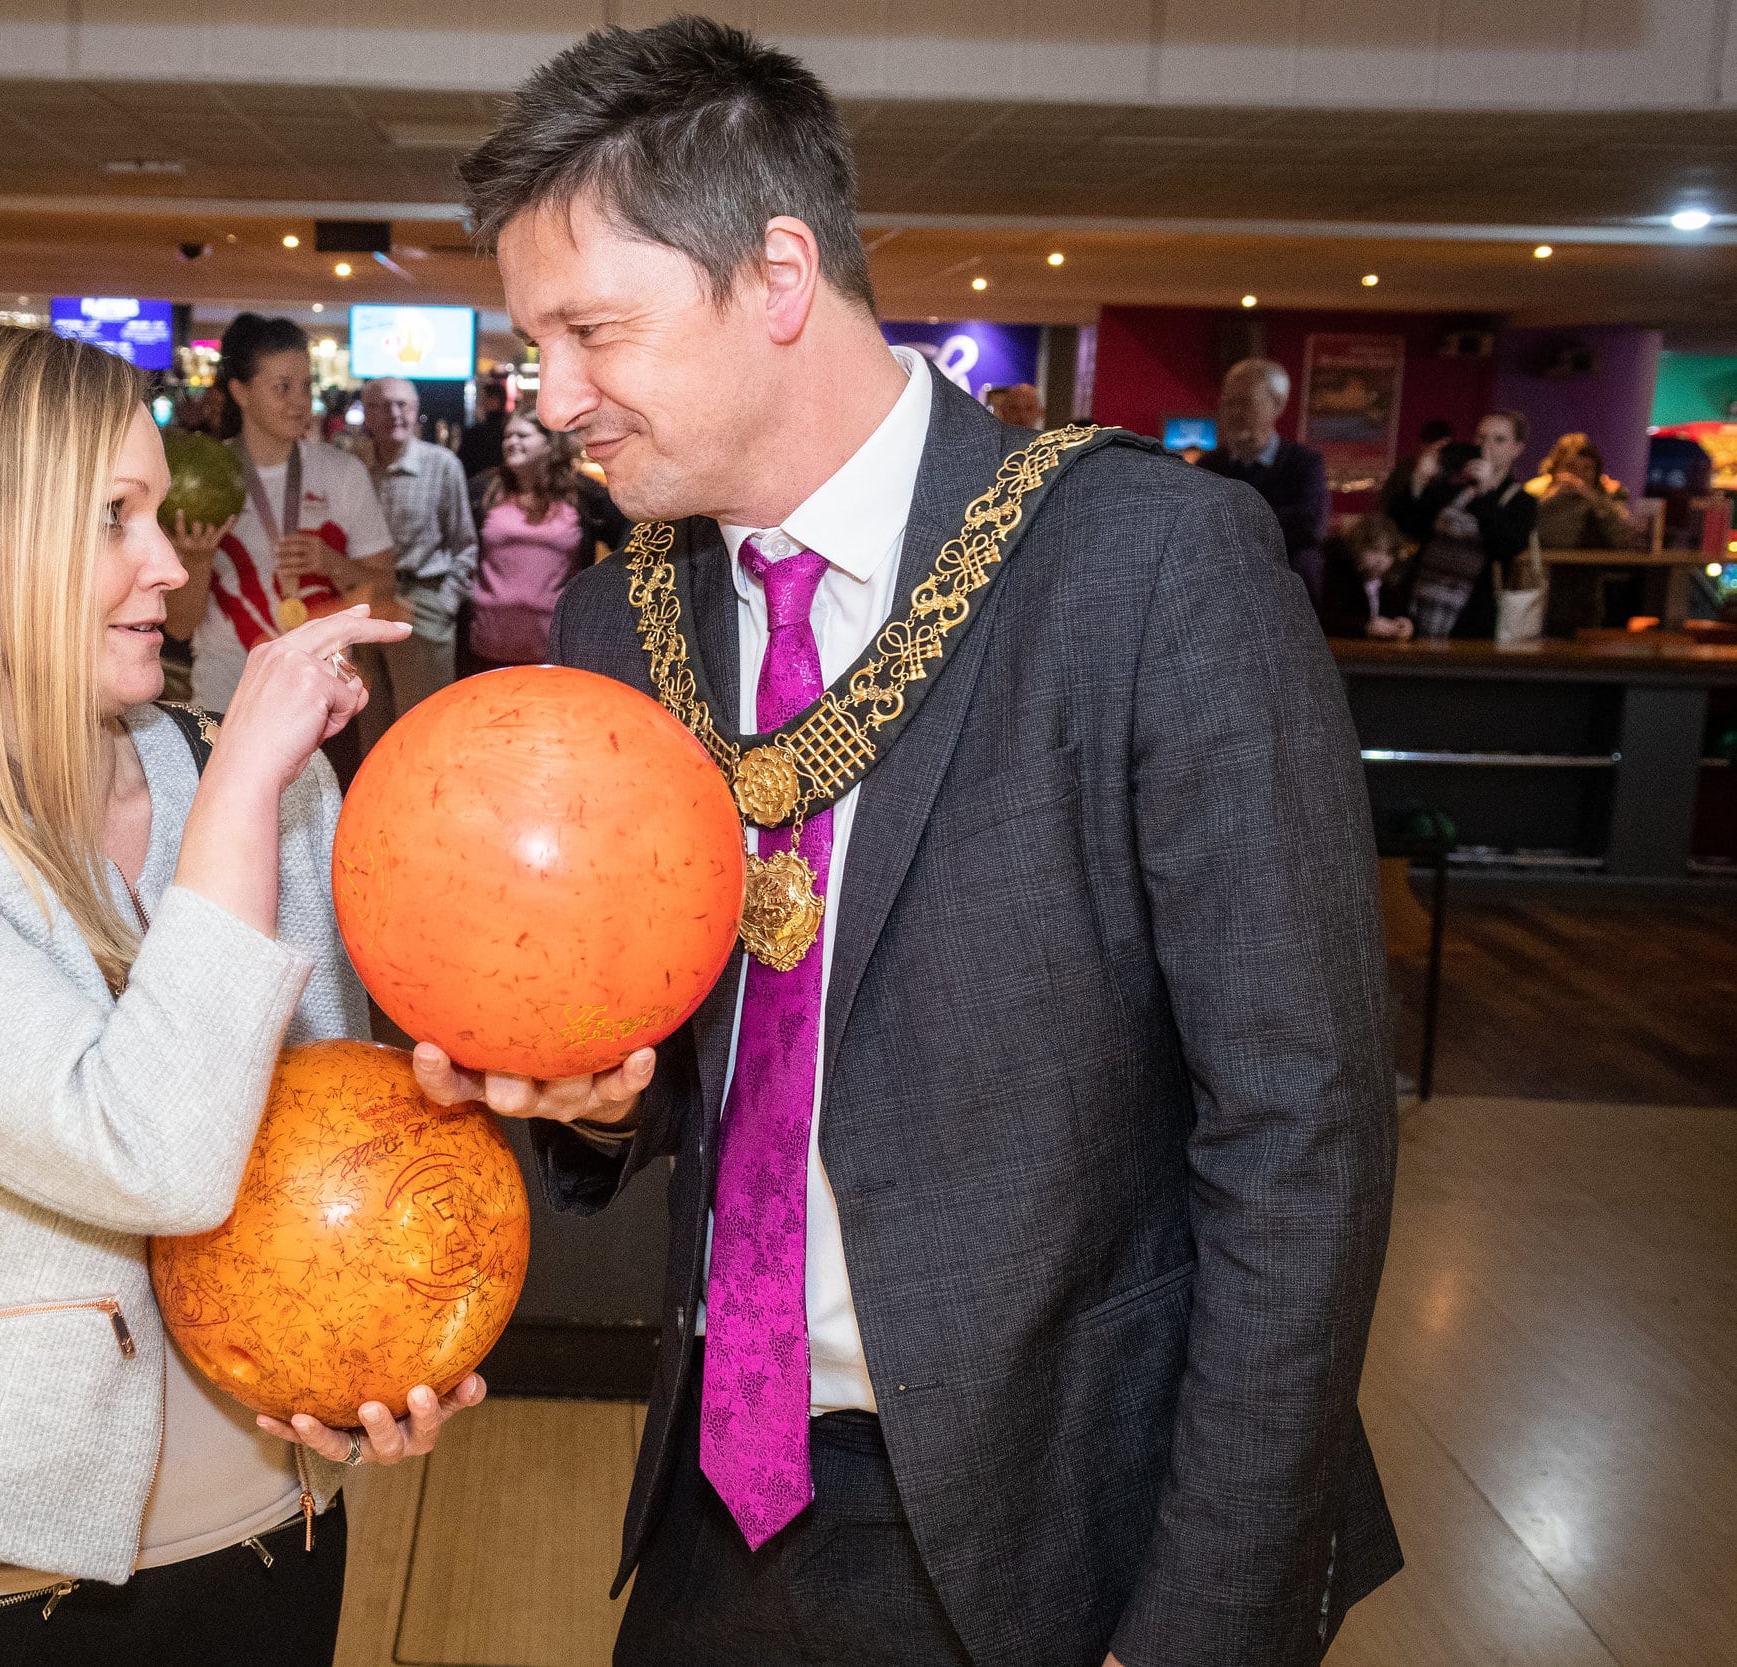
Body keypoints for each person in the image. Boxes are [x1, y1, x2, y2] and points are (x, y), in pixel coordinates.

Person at [434, 19, 1400, 1667]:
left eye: (591, 330)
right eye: (535, 343)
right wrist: (608, 1091)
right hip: (715, 1507)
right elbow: (701, 1041)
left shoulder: (1144, 566)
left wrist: (1200, 1628)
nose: (552, 398)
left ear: (779, 272)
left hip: (1060, 1526)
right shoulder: (617, 622)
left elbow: (1301, 1133)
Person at [0, 322, 474, 1666]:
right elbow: (152, 1153)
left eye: (162, 512)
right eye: (114, 519)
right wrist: (245, 790)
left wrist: (374, 1349)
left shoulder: (270, 779)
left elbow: (322, 1137)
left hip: (269, 1533)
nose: (168, 560)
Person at [165, 314, 395, 714]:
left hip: (320, 702)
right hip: (227, 701)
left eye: (306, 386)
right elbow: (180, 627)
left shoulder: (342, 473)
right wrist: (199, 559)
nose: (299, 401)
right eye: (282, 388)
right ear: (240, 391)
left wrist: (333, 564)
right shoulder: (206, 479)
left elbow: (386, 590)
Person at [357, 376, 477, 741]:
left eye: (402, 405)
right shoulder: (354, 467)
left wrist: (445, 602)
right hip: (364, 602)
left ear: (416, 410)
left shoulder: (442, 465)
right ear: (366, 413)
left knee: (424, 725)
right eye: (380, 405)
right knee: (369, 722)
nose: (393, 414)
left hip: (422, 604)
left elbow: (465, 544)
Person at [463, 410, 627, 671]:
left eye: (522, 435)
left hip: (556, 644)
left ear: (549, 442)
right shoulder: (484, 489)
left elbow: (629, 539)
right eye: (507, 436)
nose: (511, 442)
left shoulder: (582, 493)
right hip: (488, 639)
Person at [1390, 409, 1537, 640]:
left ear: (1517, 449)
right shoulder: (1453, 486)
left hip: (1472, 612)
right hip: (1422, 600)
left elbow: (1505, 546)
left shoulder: (1521, 500)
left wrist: (1485, 493)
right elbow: (1408, 524)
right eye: (1481, 437)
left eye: (1499, 439)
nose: (1487, 446)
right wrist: (1419, 480)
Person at [1197, 357, 1331, 605]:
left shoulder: (1303, 465)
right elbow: (1196, 530)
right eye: (1229, 403)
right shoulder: (1209, 465)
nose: (1234, 412)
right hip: (1223, 599)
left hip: (1286, 601)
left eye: (1246, 403)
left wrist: (1231, 520)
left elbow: (1309, 527)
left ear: (1277, 404)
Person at [1318, 512, 1414, 640]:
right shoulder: (1341, 580)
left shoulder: (1390, 586)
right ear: (1358, 548)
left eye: (1387, 553)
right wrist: (1366, 627)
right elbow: (1329, 620)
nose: (1381, 560)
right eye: (1375, 550)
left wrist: (1408, 625)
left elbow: (1404, 614)